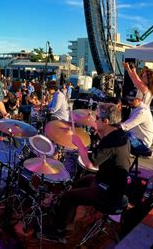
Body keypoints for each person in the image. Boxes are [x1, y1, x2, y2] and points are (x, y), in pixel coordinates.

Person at [40, 103, 130, 242]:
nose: (94, 120)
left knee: (68, 196)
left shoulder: (111, 142)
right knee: (84, 180)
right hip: (111, 182)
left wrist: (79, 144)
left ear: (106, 122)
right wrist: (99, 131)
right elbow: (107, 153)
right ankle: (67, 218)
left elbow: (89, 163)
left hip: (109, 192)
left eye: (97, 118)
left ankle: (58, 231)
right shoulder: (119, 134)